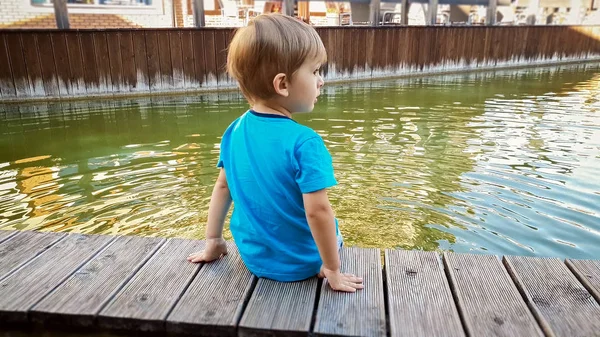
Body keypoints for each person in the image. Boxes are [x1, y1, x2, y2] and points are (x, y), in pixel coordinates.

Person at [187, 13, 364, 293]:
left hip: (253, 259)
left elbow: (223, 187)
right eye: (315, 71)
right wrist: (332, 269)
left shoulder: (234, 130)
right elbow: (318, 211)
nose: (321, 81)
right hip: (301, 264)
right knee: (335, 226)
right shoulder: (305, 142)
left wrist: (213, 241)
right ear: (282, 84)